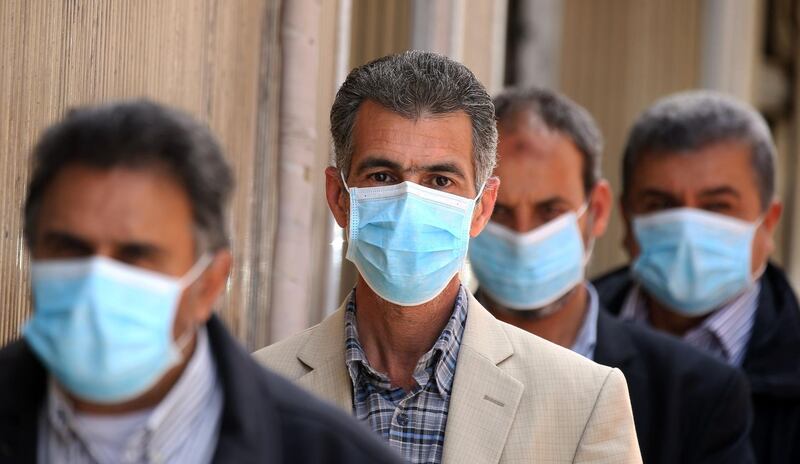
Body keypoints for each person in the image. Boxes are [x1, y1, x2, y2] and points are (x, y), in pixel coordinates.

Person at [254, 50, 641, 464]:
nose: (409, 202)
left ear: (482, 207)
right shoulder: (253, 389)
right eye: (382, 177)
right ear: (339, 197)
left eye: (440, 180)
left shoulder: (583, 401)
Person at [0, 100, 403, 464]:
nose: (95, 282)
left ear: (209, 284)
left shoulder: (331, 453)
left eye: (136, 255)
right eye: (70, 249)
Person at [469, 87, 754, 463]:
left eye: (550, 210)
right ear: (471, 213)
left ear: (598, 210)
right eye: (500, 212)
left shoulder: (697, 392)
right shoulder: (417, 361)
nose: (524, 234)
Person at [592, 90, 800, 463]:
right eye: (661, 205)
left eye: (717, 206)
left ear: (768, 223)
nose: (687, 230)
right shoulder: (566, 334)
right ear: (626, 220)